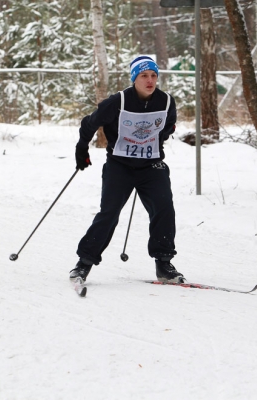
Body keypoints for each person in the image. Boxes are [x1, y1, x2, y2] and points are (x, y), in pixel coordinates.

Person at [70, 55, 185, 284]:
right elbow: (90, 123)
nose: (150, 80)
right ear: (134, 78)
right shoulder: (118, 101)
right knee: (109, 213)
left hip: (151, 165)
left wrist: (153, 144)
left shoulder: (166, 101)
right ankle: (84, 264)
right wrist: (81, 149)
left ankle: (164, 264)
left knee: (164, 209)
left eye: (153, 75)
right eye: (144, 76)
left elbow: (169, 126)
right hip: (119, 166)